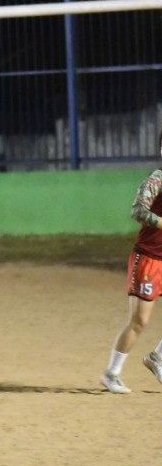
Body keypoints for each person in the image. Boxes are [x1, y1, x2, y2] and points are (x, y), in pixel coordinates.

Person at [103, 132, 162, 394]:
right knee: (140, 321)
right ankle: (111, 374)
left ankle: (157, 357)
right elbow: (137, 210)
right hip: (148, 258)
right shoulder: (156, 179)